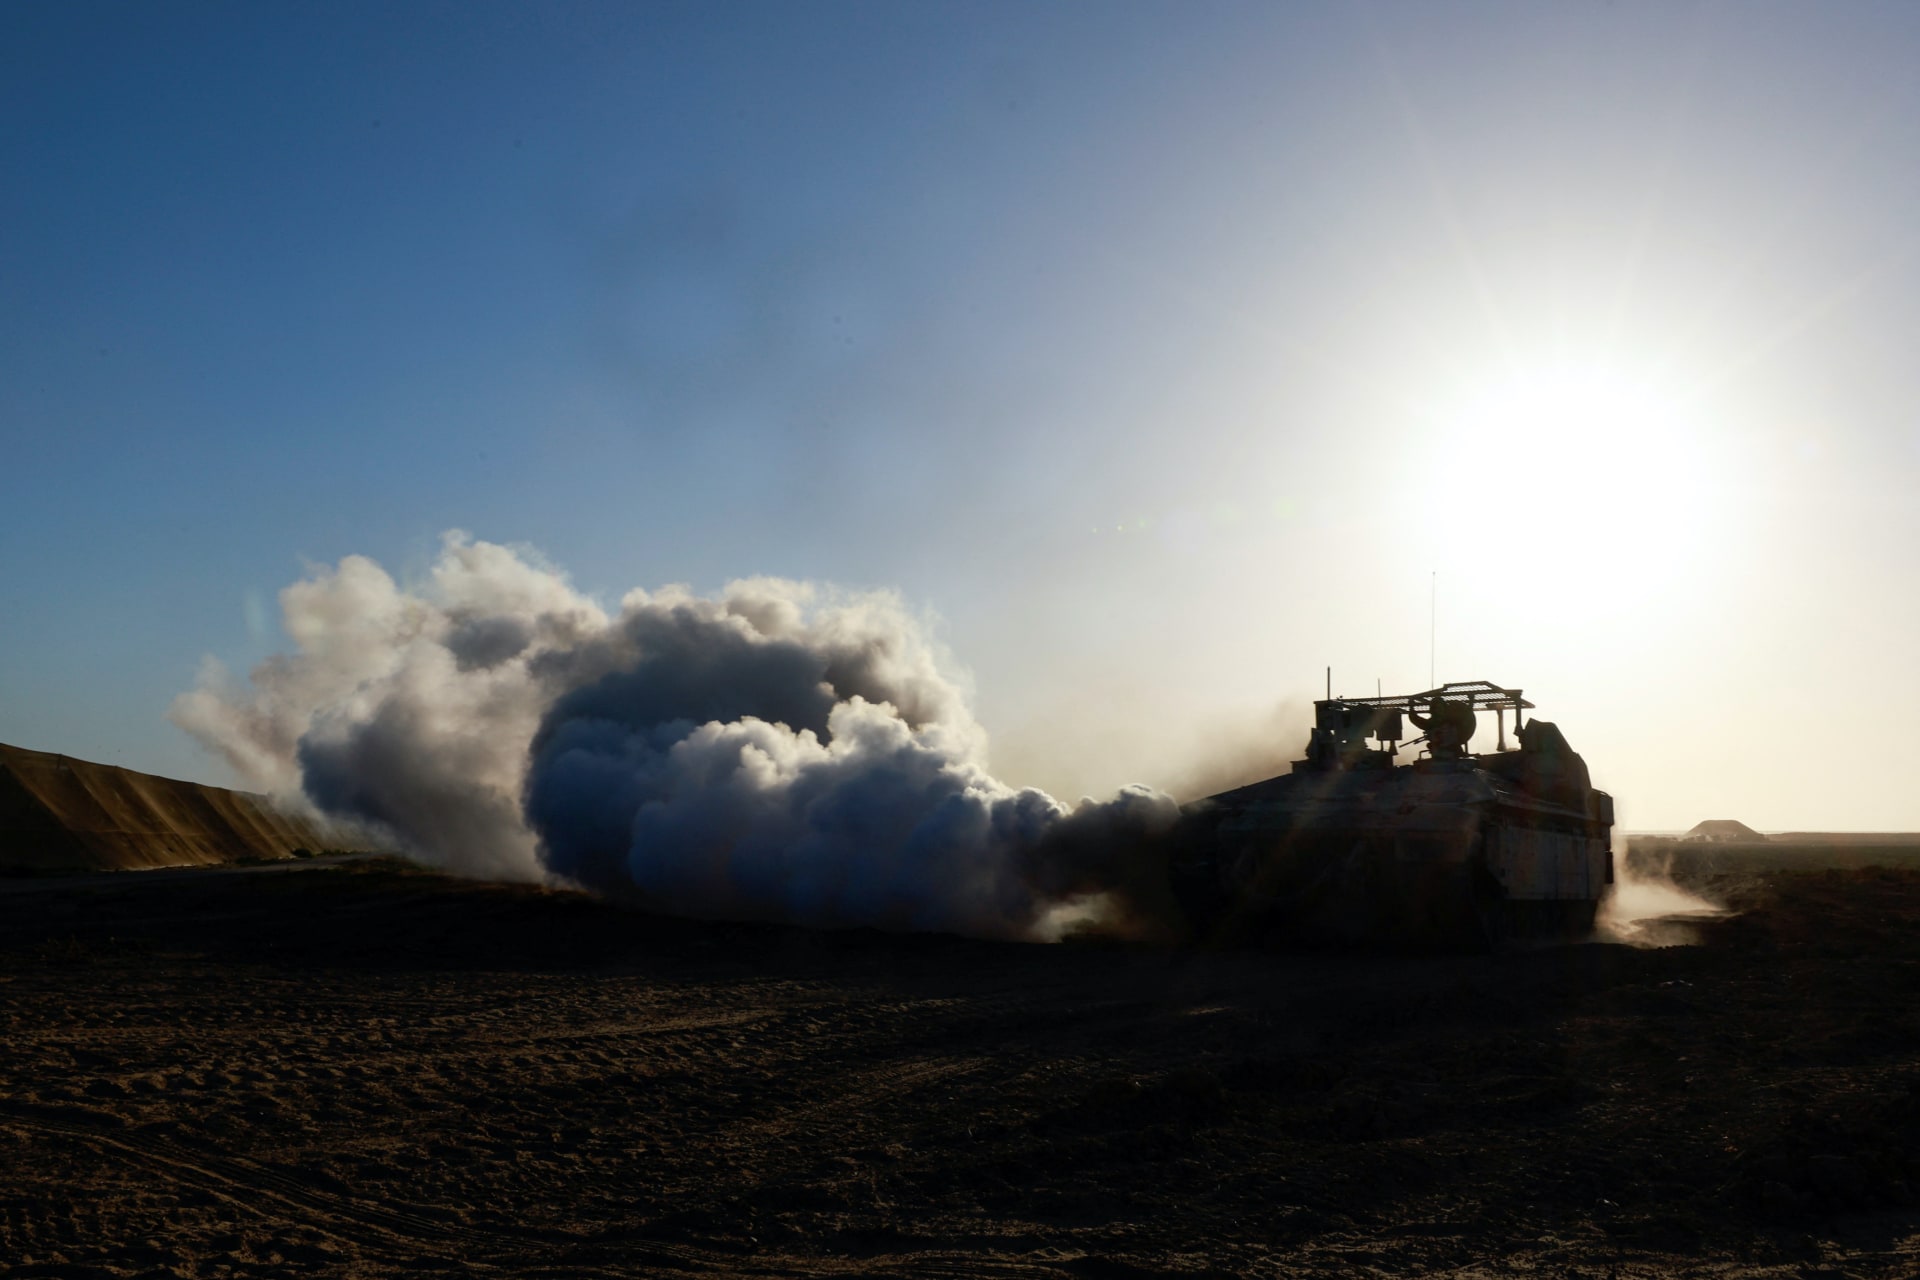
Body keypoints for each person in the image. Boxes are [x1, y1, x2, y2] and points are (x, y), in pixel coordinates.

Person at [1410, 695, 1474, 758]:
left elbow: (1466, 714)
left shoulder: (1451, 719)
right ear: (1433, 709)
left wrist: (1471, 702)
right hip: (1438, 753)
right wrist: (1411, 708)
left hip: (1453, 751)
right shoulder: (1431, 722)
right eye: (1437, 708)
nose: (1439, 710)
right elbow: (1416, 720)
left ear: (1444, 708)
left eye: (1441, 707)